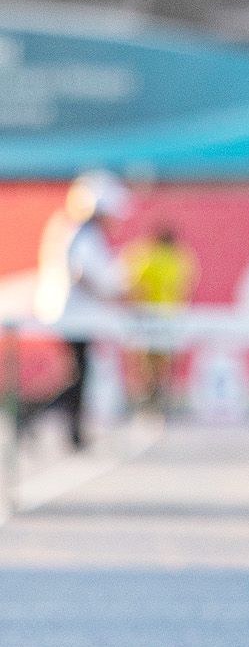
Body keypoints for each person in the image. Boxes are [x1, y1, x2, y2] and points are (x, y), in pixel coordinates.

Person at [25, 172, 132, 450]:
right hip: (72, 314)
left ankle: (71, 432)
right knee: (79, 374)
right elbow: (82, 273)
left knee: (79, 373)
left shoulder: (77, 229)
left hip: (75, 314)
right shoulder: (82, 231)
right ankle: (33, 415)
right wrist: (110, 294)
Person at [121, 221, 198, 412]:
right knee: (166, 361)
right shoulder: (181, 259)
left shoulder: (147, 257)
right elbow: (184, 287)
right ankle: (163, 399)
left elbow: (136, 285)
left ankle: (149, 399)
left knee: (148, 361)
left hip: (149, 316)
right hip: (171, 316)